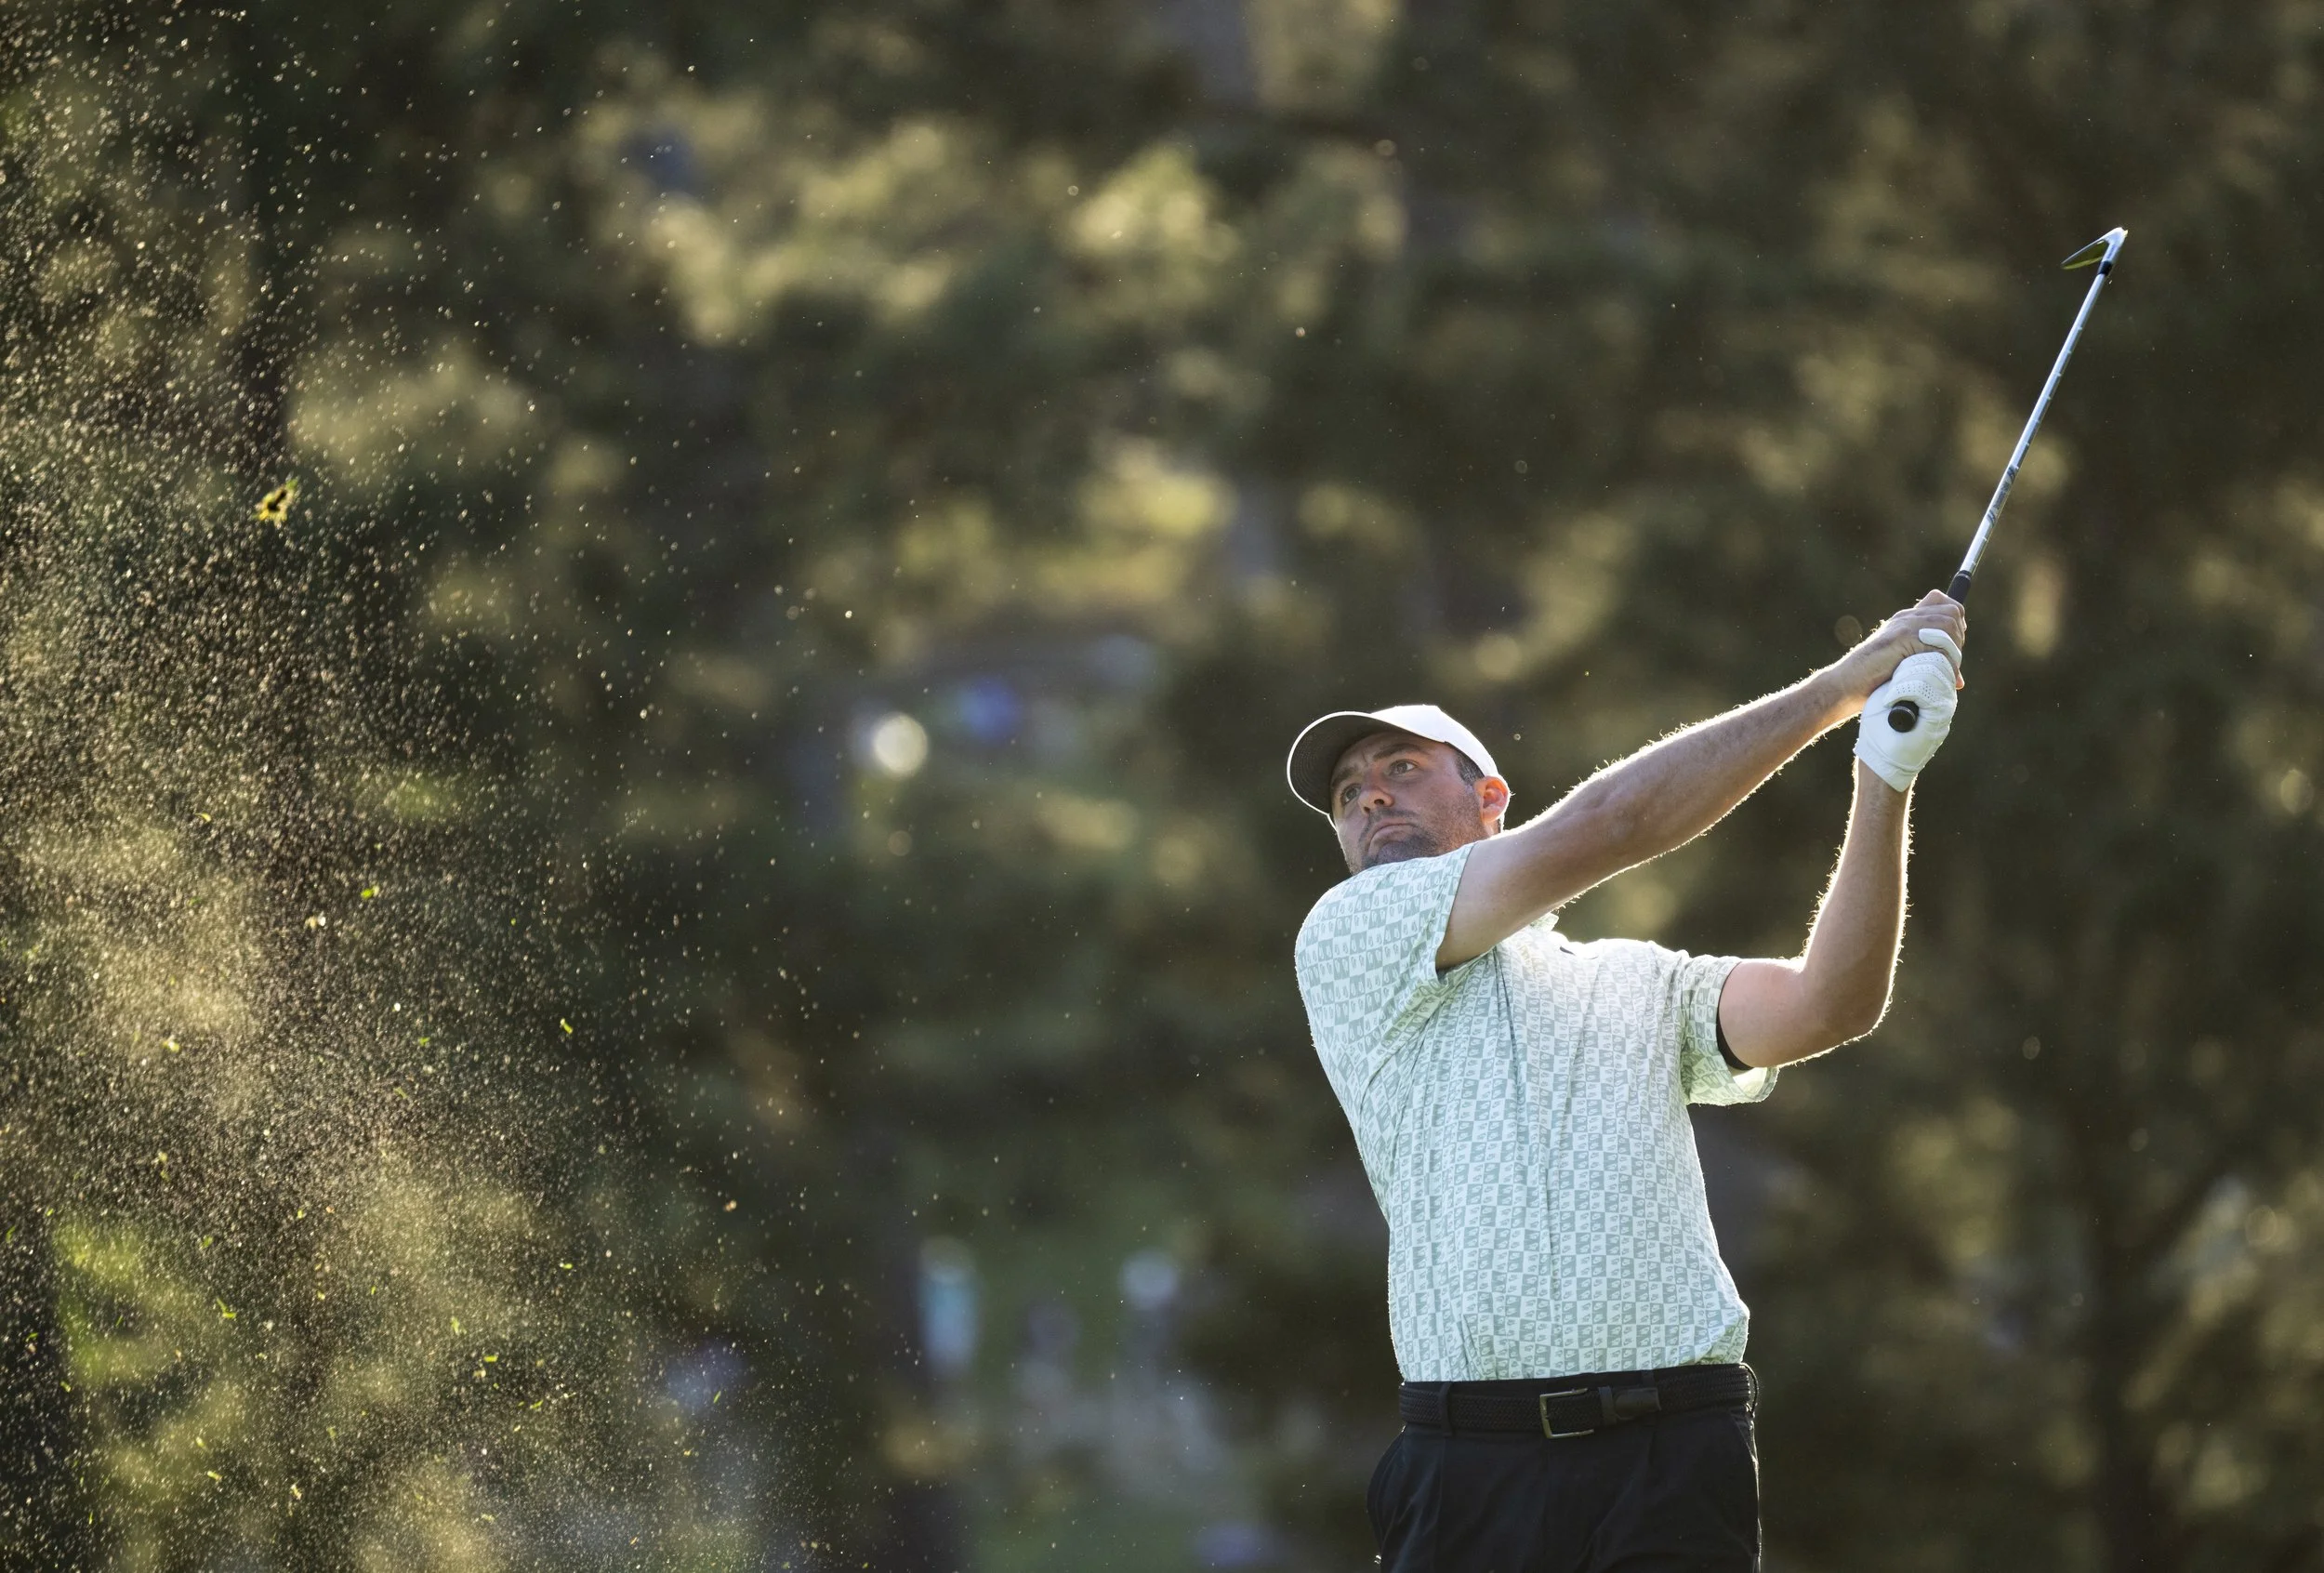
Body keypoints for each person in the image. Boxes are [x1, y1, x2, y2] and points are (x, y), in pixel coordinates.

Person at [1287, 592, 1968, 1572]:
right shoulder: (1350, 935)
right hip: (1472, 1463)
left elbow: (1830, 1003)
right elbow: (1617, 822)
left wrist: (1884, 773)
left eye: (1400, 768)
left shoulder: (1639, 981)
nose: (1369, 800)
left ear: (1491, 800)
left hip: (1672, 1454)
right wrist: (1840, 687)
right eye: (1348, 794)